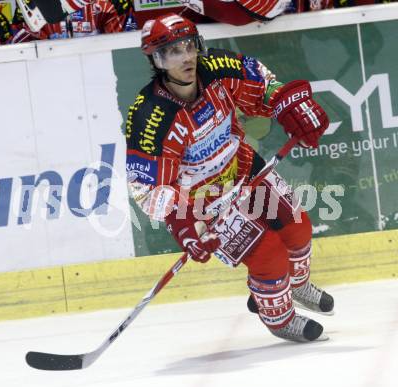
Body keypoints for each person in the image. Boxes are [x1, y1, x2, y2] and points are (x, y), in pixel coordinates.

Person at [125, 13, 335, 343]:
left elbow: (264, 84)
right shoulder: (150, 117)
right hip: (205, 203)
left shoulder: (218, 68)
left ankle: (295, 286)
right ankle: (278, 317)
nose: (187, 57)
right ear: (157, 59)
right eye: (174, 51)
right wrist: (187, 227)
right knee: (269, 255)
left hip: (244, 168)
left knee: (299, 227)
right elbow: (147, 189)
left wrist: (287, 104)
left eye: (189, 46)